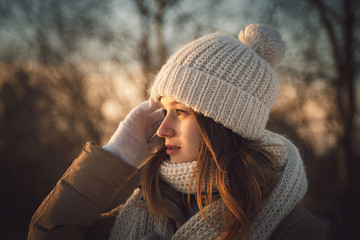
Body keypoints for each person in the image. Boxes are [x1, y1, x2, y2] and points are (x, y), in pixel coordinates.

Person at [28, 24, 326, 240]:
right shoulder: (150, 207)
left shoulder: (292, 229)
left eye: (180, 112)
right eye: (164, 109)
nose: (162, 128)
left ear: (224, 123)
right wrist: (115, 155)